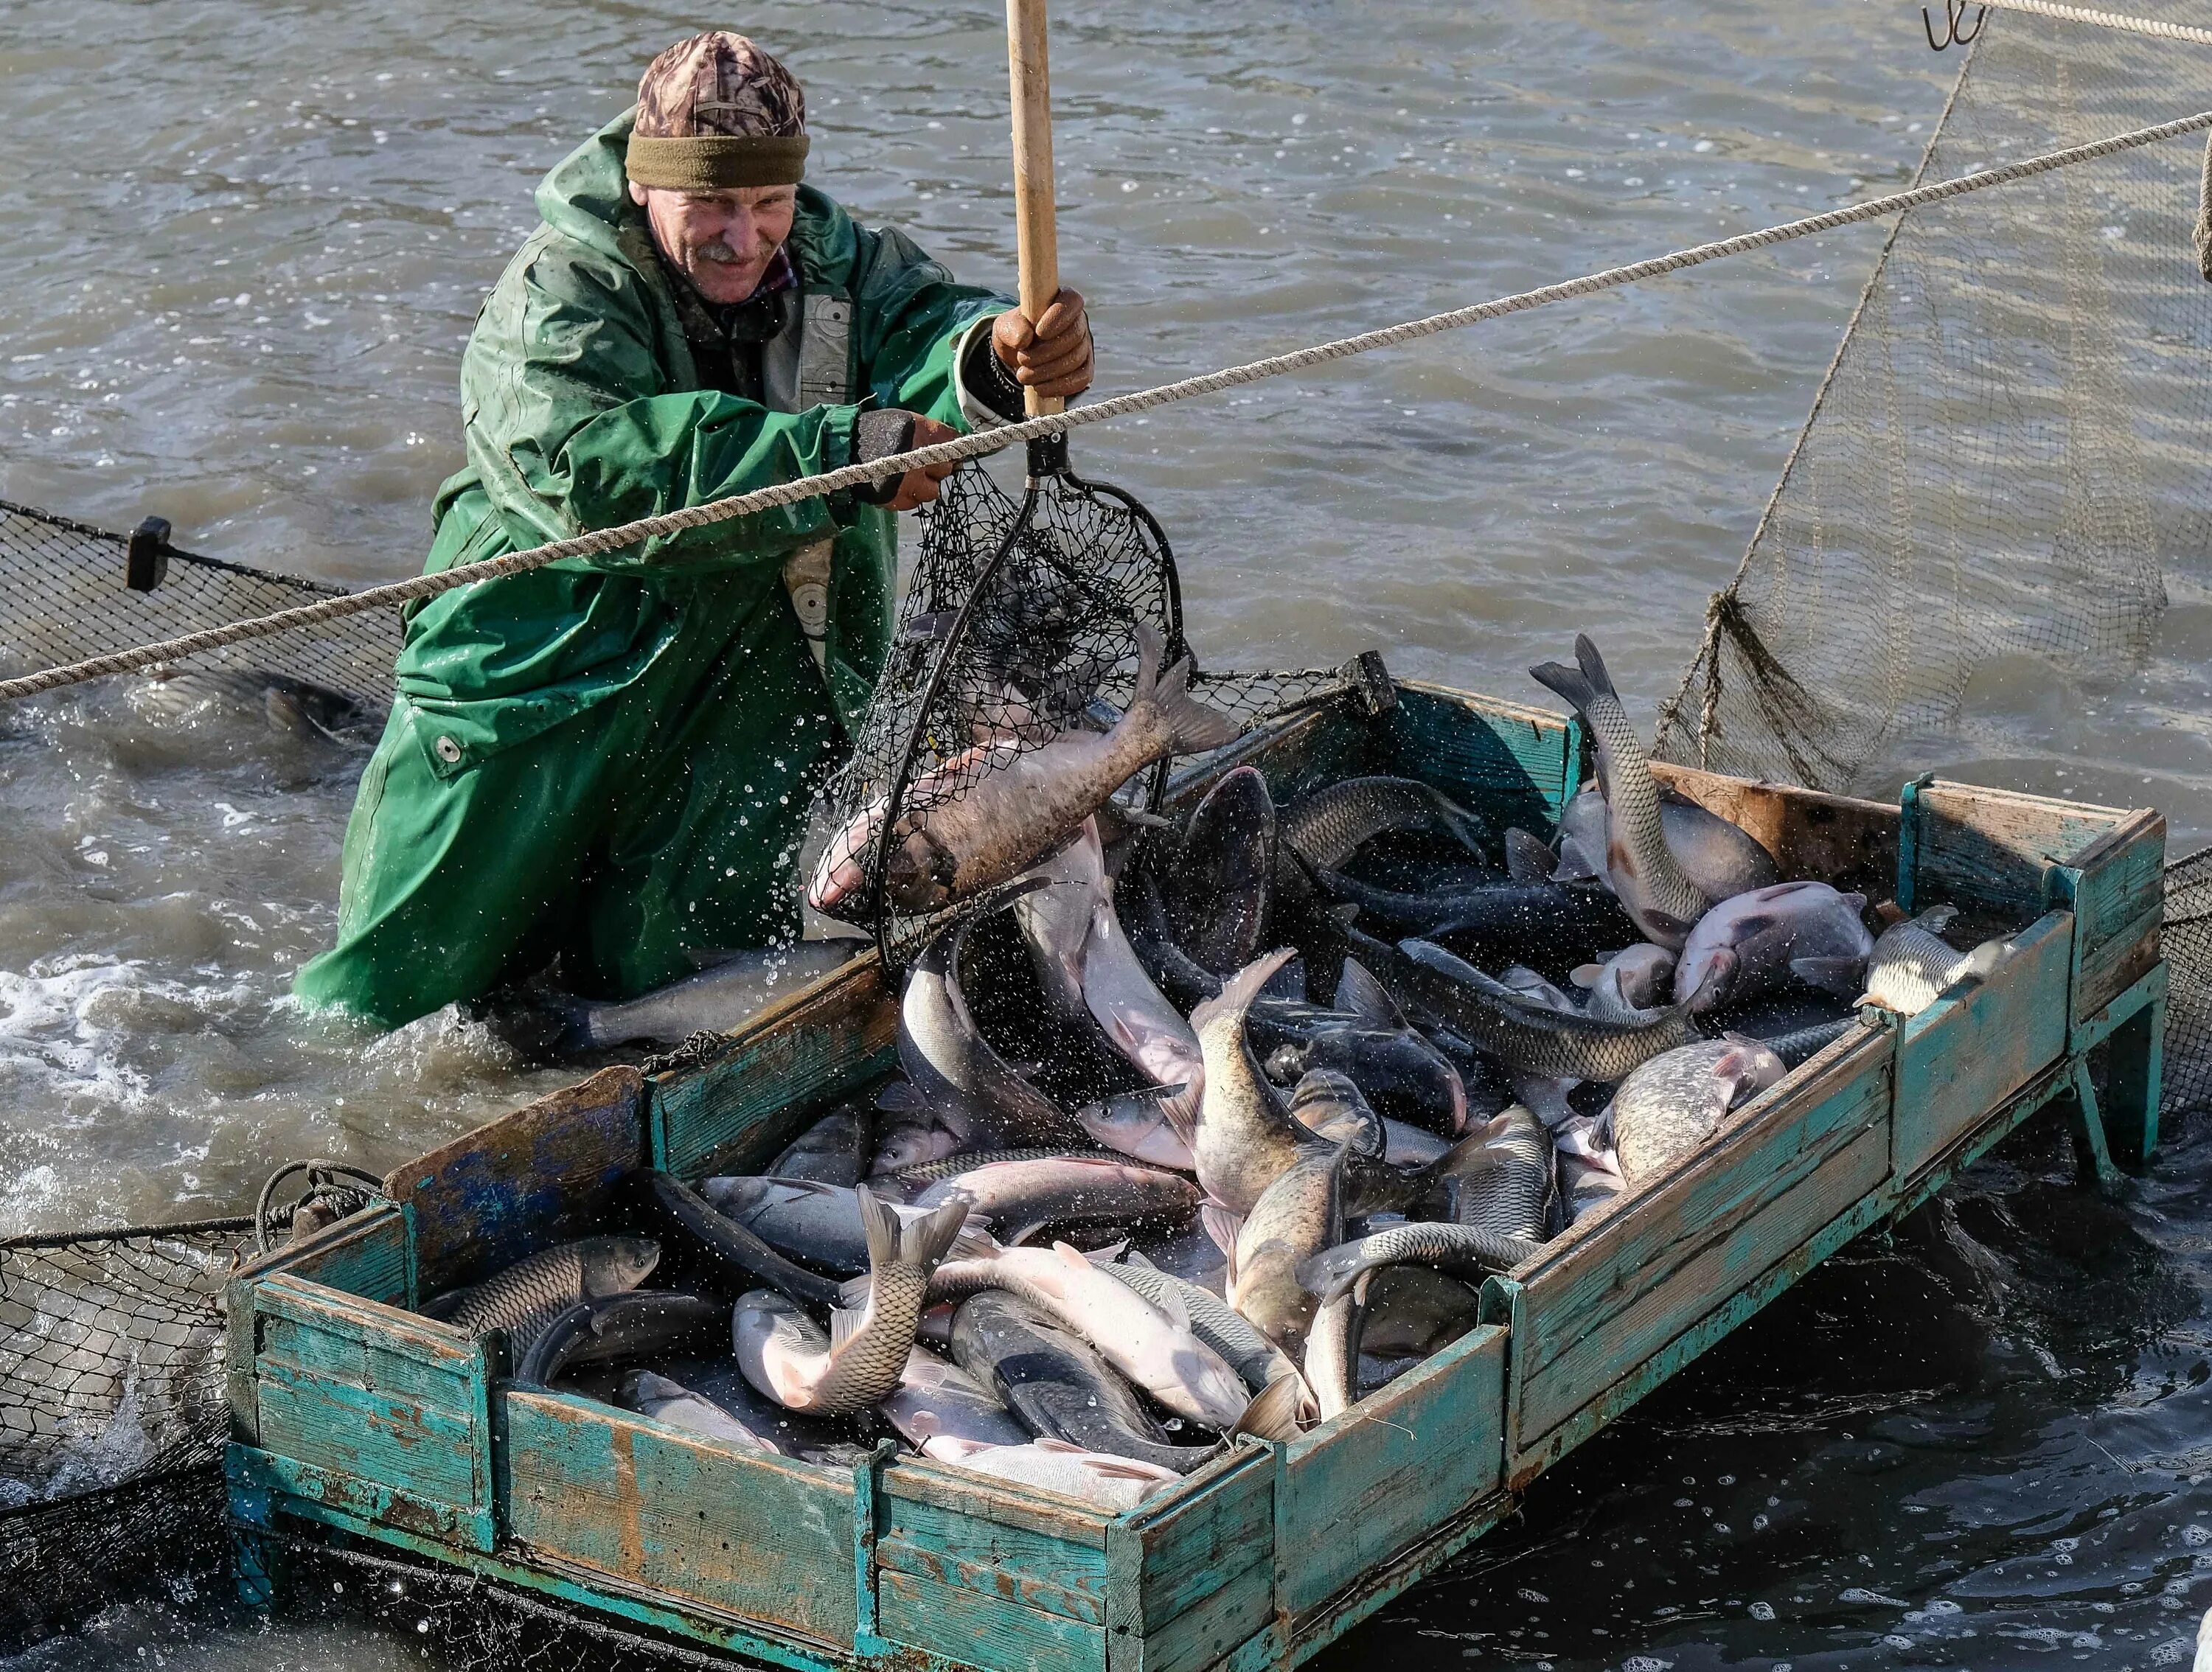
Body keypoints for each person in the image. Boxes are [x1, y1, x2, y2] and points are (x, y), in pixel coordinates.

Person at [293, 31, 1093, 1028]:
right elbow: (602, 474)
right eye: (710, 204)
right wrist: (843, 455)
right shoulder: (560, 294)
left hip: (746, 675)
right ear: (644, 187)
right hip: (539, 676)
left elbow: (926, 324)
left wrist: (993, 351)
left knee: (677, 987)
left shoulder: (833, 258)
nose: (744, 236)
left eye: (767, 203)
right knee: (383, 1009)